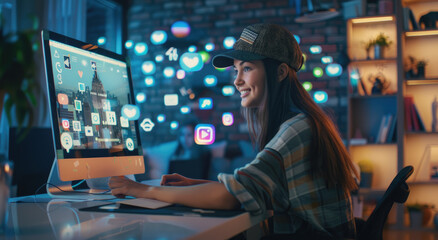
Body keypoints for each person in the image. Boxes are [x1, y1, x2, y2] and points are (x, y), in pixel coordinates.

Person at [109, 23, 359, 239]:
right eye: (236, 70)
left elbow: (230, 197)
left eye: (247, 68)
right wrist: (195, 187)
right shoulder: (303, 121)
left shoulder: (297, 129)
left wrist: (141, 190)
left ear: (280, 72)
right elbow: (254, 187)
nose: (237, 80)